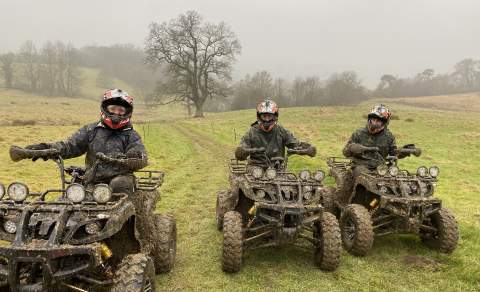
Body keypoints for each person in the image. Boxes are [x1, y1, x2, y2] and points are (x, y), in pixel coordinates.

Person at [24, 88, 147, 195]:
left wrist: (133, 156)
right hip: (92, 179)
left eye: (121, 110)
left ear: (127, 113)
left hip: (121, 178)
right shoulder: (90, 130)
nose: (116, 113)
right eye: (113, 108)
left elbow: (140, 155)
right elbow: (70, 146)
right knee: (75, 194)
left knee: (118, 184)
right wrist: (45, 148)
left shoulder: (131, 135)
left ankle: (129, 220)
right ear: (105, 108)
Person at [234, 99, 315, 167]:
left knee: (294, 184)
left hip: (278, 168)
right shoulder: (251, 132)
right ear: (259, 116)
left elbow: (295, 144)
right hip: (255, 168)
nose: (267, 119)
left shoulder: (281, 130)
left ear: (275, 116)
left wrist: (307, 149)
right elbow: (243, 148)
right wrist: (242, 152)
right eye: (264, 116)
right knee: (246, 184)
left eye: (269, 116)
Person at [342, 104, 412, 180]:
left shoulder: (389, 137)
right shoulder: (358, 133)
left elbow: (394, 153)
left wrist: (404, 151)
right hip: (361, 165)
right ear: (369, 119)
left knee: (399, 177)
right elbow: (345, 152)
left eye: (378, 121)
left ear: (384, 123)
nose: (374, 123)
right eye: (373, 120)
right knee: (363, 176)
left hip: (380, 168)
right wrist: (352, 148)